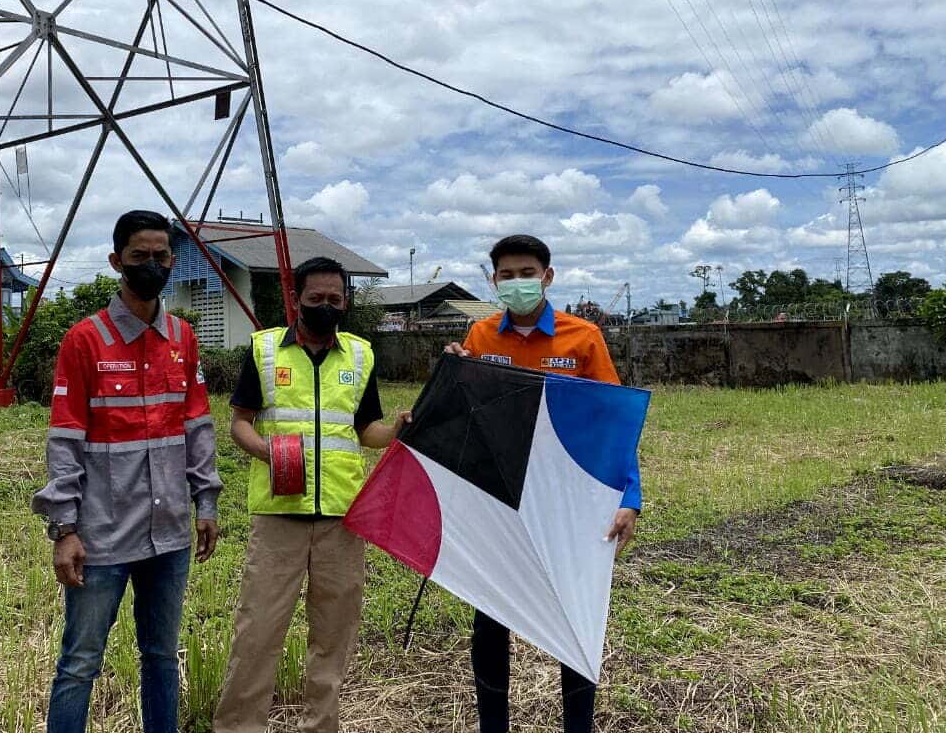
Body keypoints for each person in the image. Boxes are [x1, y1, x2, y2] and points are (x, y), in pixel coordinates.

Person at [32, 209, 222, 733]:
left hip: (169, 536)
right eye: (140, 256)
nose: (152, 265)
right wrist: (64, 529)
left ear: (173, 262)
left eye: (162, 256)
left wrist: (206, 503)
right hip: (102, 537)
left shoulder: (183, 337)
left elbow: (197, 428)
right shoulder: (85, 340)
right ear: (117, 261)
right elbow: (66, 438)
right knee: (79, 663)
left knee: (162, 658)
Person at [444, 234, 640, 733]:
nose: (516, 283)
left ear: (548, 277)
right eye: (506, 275)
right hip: (500, 498)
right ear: (493, 281)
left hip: (568, 501)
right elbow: (464, 416)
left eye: (526, 273)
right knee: (492, 615)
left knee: (573, 613)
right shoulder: (481, 337)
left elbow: (612, 423)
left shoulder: (584, 337)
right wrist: (453, 370)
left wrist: (629, 497)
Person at [214, 256, 409, 733]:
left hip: (343, 519)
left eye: (335, 300)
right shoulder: (264, 351)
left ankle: (320, 726)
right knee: (258, 633)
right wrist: (268, 452)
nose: (326, 306)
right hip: (279, 515)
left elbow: (364, 432)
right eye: (316, 298)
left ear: (346, 301)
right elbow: (239, 422)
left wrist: (398, 430)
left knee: (333, 638)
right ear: (296, 298)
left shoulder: (360, 356)